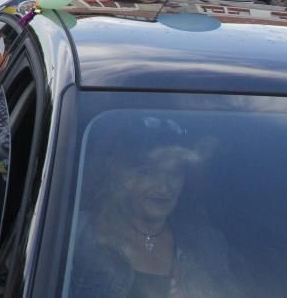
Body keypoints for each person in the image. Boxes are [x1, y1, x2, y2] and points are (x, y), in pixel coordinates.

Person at [69, 115, 236, 296]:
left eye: (174, 174)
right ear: (122, 174)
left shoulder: (207, 245)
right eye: (149, 172)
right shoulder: (79, 235)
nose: (163, 188)